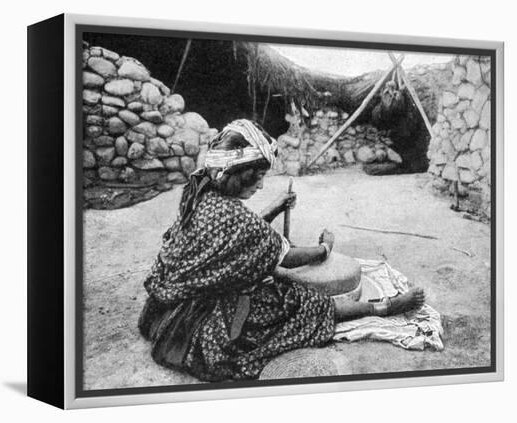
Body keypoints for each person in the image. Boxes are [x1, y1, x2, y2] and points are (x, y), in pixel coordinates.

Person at [138, 119, 425, 382]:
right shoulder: (237, 218)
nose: (261, 184)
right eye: (257, 175)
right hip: (201, 317)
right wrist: (325, 247)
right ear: (235, 172)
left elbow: (236, 239)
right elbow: (285, 256)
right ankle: (386, 307)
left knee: (272, 276)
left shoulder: (200, 195)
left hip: (166, 307)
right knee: (298, 301)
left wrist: (274, 208)